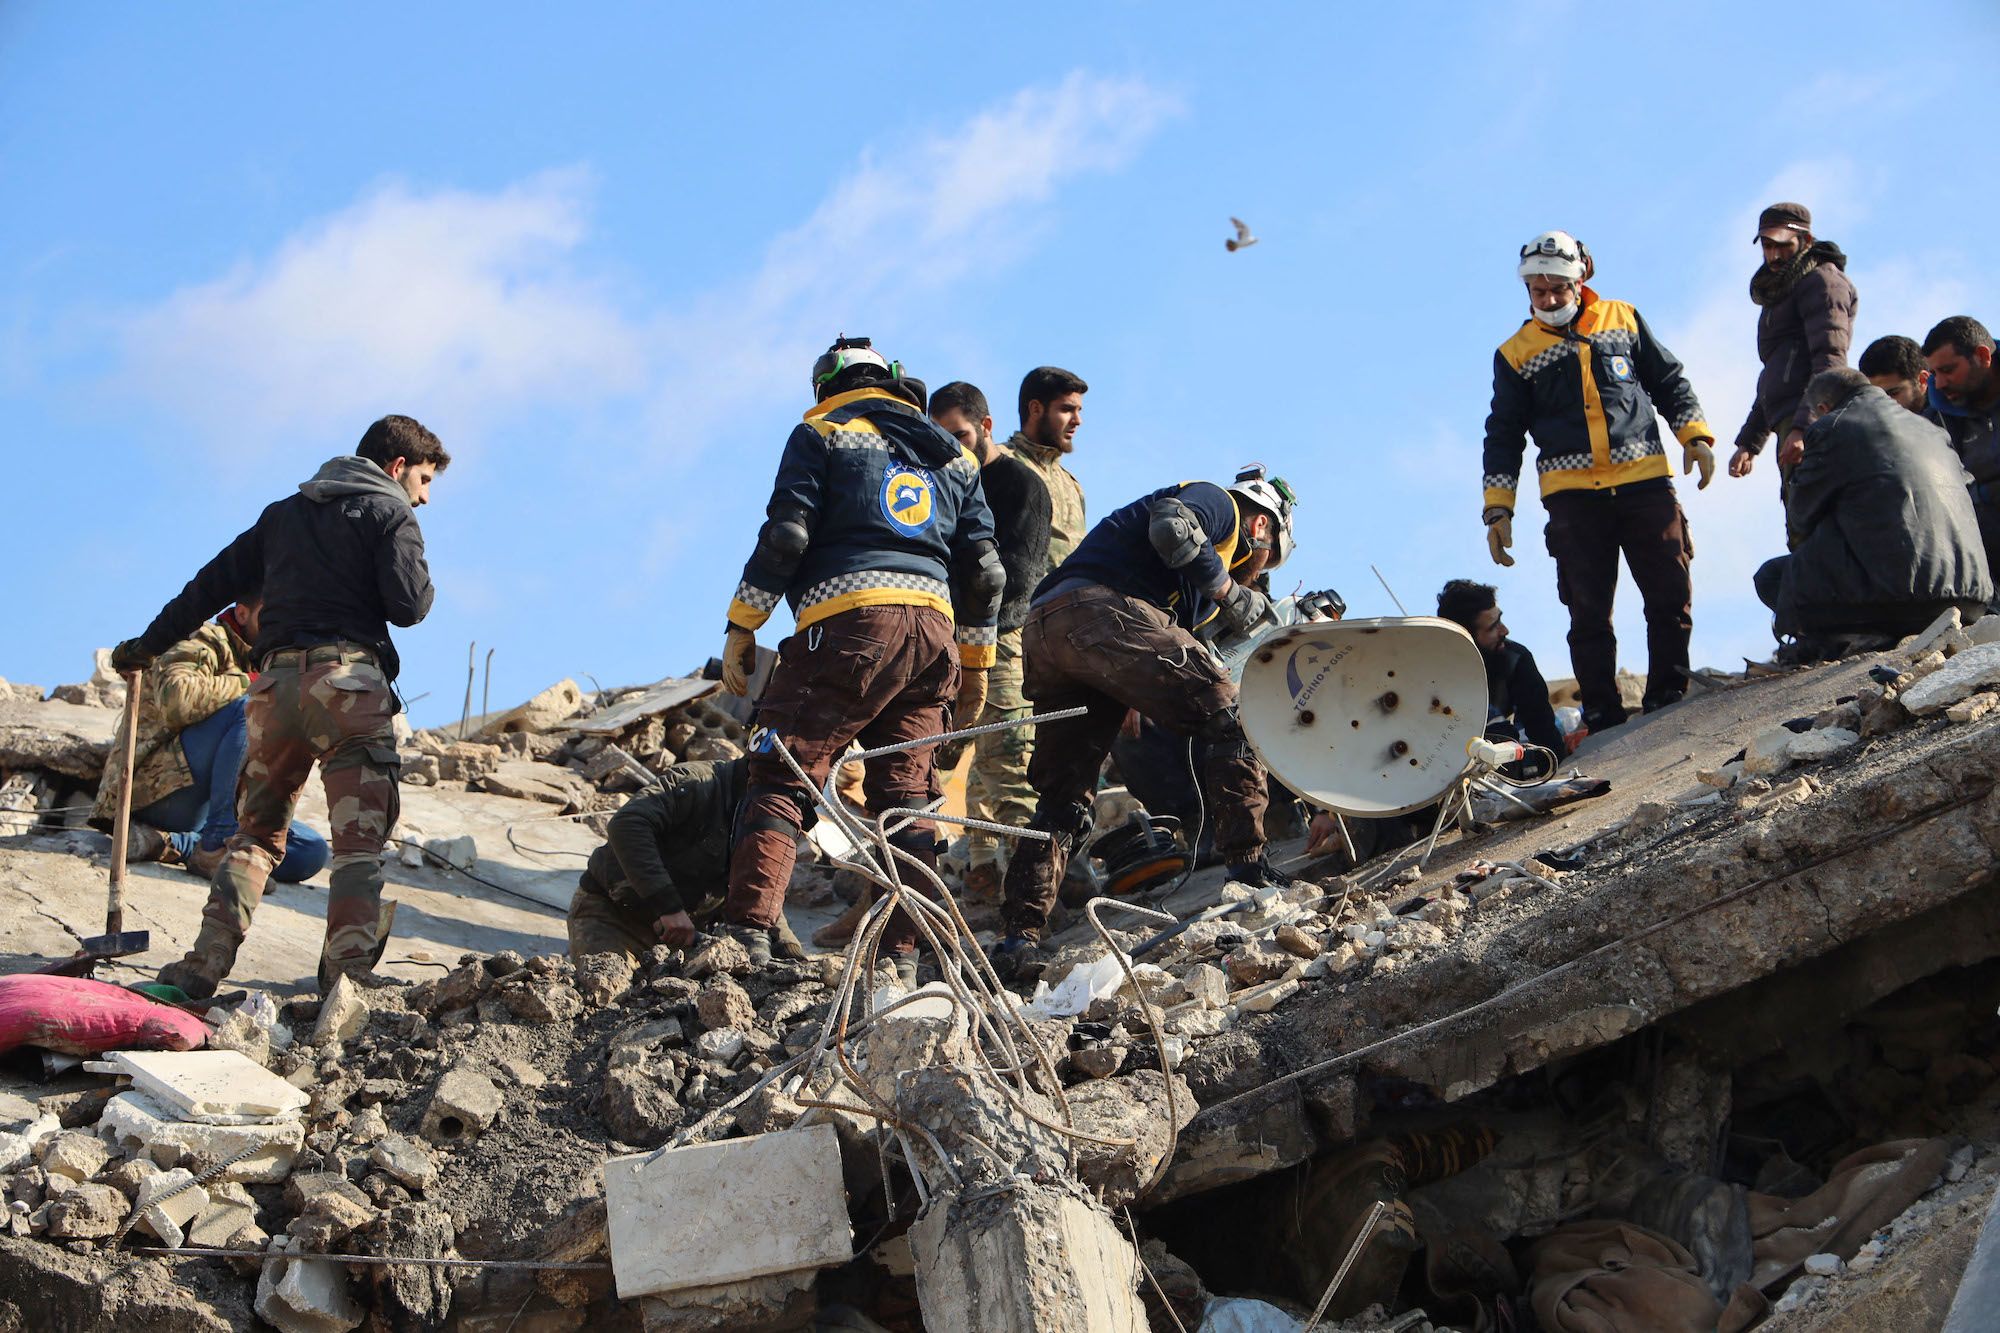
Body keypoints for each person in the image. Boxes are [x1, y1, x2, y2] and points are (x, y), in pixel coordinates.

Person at [110, 414, 447, 997]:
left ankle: (203, 966)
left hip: (273, 690)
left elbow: (206, 589)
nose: (423, 497)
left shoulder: (281, 515)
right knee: (357, 845)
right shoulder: (392, 512)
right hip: (348, 687)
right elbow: (409, 606)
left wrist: (143, 649)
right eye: (422, 480)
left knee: (256, 836)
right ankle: (348, 979)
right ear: (397, 467)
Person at [719, 336, 1000, 977]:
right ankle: (900, 957)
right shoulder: (955, 456)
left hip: (844, 625)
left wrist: (742, 624)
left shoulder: (822, 430)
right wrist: (976, 664)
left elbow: (788, 534)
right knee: (909, 802)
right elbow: (985, 572)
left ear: (826, 388)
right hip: (934, 637)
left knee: (784, 774)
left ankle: (745, 940)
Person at [994, 468, 1300, 974]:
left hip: (1048, 626)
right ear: (1262, 527)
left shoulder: (1184, 585)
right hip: (1100, 609)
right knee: (1230, 717)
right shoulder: (1219, 505)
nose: (1259, 576)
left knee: (1063, 799)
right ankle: (1249, 870)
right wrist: (1230, 591)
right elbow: (1172, 527)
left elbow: (1171, 638)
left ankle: (1017, 939)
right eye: (1267, 562)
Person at [1482, 230, 1716, 736]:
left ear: (1580, 278)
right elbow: (1503, 434)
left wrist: (1694, 435)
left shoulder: (1623, 319)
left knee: (1669, 591)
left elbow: (1669, 381)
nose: (1548, 300)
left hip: (1644, 482)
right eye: (1538, 292)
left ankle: (1668, 693)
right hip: (1572, 499)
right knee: (1588, 610)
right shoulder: (1515, 353)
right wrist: (1498, 507)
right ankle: (1603, 714)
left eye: (1557, 290)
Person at [1753, 368, 1991, 659]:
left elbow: (1801, 516)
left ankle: (1855, 638)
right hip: (1972, 597)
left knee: (1772, 578)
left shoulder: (1831, 427)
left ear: (1824, 408)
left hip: (1901, 599)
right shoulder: (1932, 430)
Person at [93, 594, 329, 885]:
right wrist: (251, 683)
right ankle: (217, 844)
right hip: (156, 789)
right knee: (251, 708)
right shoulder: (201, 637)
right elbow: (177, 698)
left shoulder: (271, 660)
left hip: (214, 806)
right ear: (242, 614)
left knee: (310, 851)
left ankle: (183, 845)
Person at [930, 381, 1052, 902]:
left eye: (960, 435)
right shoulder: (944, 486)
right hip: (947, 647)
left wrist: (973, 641)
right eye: (941, 439)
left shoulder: (1020, 486)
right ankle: (982, 883)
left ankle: (1037, 904)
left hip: (1001, 648)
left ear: (985, 427)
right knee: (937, 774)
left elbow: (1017, 583)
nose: (952, 449)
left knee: (1010, 771)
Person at [567, 756, 806, 973]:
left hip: (680, 939)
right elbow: (628, 824)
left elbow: (760, 884)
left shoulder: (768, 815)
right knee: (607, 993)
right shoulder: (696, 782)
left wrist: (789, 947)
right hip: (613, 917)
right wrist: (668, 907)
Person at [1727, 203, 1858, 479]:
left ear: (1806, 240)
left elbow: (1831, 362)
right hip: (1789, 422)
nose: (1774, 255)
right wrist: (1749, 443)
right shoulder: (1782, 289)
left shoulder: (1822, 283)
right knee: (1798, 511)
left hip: (1811, 422)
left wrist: (1804, 427)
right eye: (1767, 245)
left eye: (1783, 245)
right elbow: (1776, 374)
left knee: (1811, 513)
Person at [1433, 579, 1566, 757]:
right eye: (1493, 627)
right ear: (1466, 639)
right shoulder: (1433, 677)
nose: (1505, 630)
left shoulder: (1515, 659)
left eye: (1500, 619)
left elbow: (1544, 735)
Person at [1922, 317, 2000, 577]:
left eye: (1948, 369)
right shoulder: (1937, 421)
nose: (1940, 383)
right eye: (1934, 374)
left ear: (1982, 356)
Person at [1857, 335, 1937, 419]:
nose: (1882, 405)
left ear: (1922, 381)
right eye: (1875, 396)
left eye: (1893, 393)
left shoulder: (1948, 420)